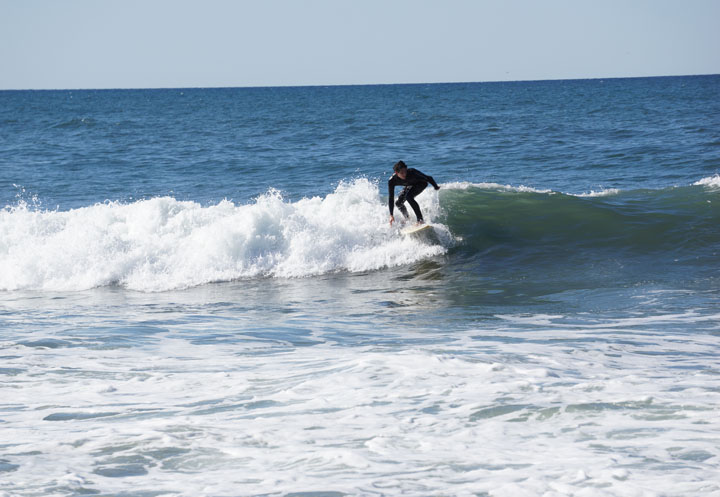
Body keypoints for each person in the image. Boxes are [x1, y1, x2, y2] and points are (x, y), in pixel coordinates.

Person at [388, 160, 440, 226]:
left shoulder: (412, 172)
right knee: (398, 203)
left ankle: (420, 220)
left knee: (409, 197)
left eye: (405, 171)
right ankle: (407, 218)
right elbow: (391, 198)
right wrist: (391, 215)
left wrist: (436, 187)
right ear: (396, 172)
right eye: (402, 173)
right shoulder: (392, 180)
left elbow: (429, 178)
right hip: (410, 185)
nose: (404, 174)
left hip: (421, 184)